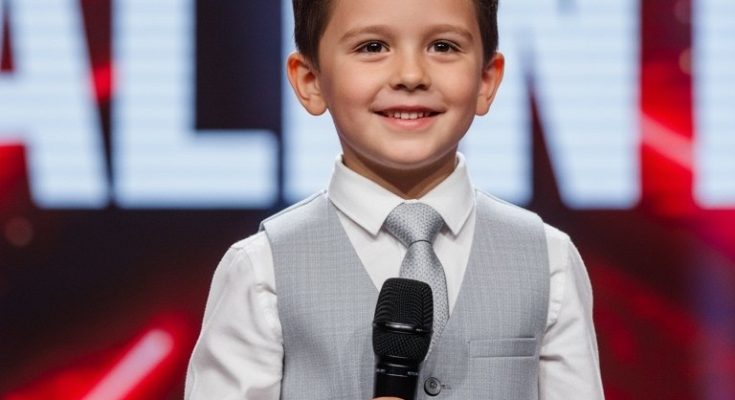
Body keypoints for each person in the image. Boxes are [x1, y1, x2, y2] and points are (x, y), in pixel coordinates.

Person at [185, 0, 605, 398]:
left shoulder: (547, 260)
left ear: (486, 79)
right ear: (310, 80)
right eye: (373, 47)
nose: (410, 74)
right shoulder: (262, 270)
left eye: (443, 46)